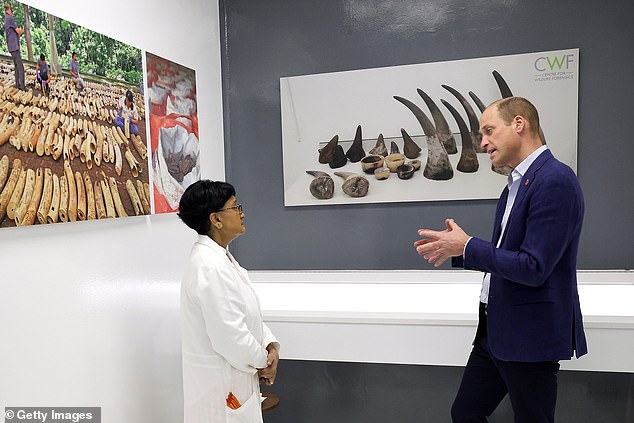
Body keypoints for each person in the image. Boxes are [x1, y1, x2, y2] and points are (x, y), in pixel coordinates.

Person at [414, 97, 587, 423]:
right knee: (465, 413)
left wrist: (468, 246)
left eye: (489, 131)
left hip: (529, 336)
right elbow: (509, 258)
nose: (483, 143)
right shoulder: (513, 186)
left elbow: (533, 268)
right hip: (495, 332)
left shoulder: (555, 181)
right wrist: (460, 250)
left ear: (519, 124)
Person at [178, 180, 280, 423]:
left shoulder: (221, 259)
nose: (242, 213)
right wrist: (264, 361)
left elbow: (248, 314)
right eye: (235, 207)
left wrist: (270, 345)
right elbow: (231, 336)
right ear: (216, 220)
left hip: (234, 385)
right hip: (221, 394)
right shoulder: (210, 268)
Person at [4, 2, 25, 91]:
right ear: (9, 10)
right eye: (11, 10)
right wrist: (22, 30)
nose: (12, 12)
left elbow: (15, 33)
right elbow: (18, 31)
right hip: (14, 47)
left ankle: (17, 85)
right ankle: (22, 87)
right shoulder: (10, 18)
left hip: (12, 46)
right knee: (20, 67)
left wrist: (18, 33)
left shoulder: (6, 18)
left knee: (17, 66)